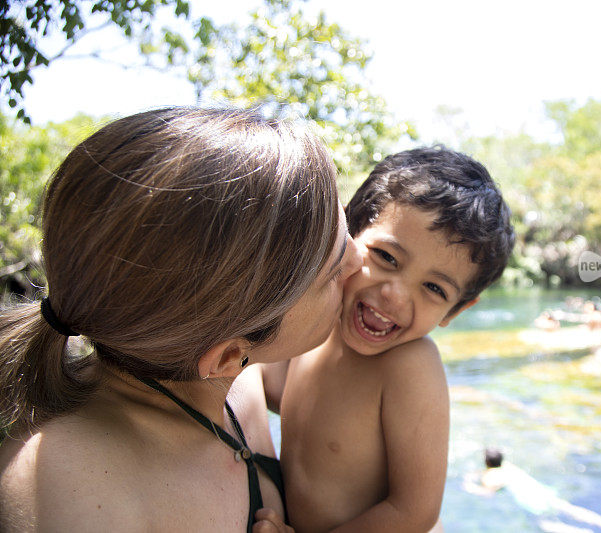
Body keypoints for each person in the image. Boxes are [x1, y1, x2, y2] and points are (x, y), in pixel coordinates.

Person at [0, 107, 361, 532]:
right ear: (228, 355)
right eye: (335, 270)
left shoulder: (234, 378)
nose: (361, 260)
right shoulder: (75, 499)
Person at [271, 147, 515, 532]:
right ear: (347, 233)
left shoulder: (409, 367)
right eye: (386, 256)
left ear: (456, 311)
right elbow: (278, 394)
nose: (395, 296)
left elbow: (413, 512)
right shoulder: (317, 323)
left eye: (434, 288)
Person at [464, 448, 601, 533]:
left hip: (531, 502)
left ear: (486, 462)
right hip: (544, 493)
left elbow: (488, 493)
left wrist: (470, 487)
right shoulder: (508, 466)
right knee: (570, 509)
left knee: (544, 525)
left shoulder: (490, 476)